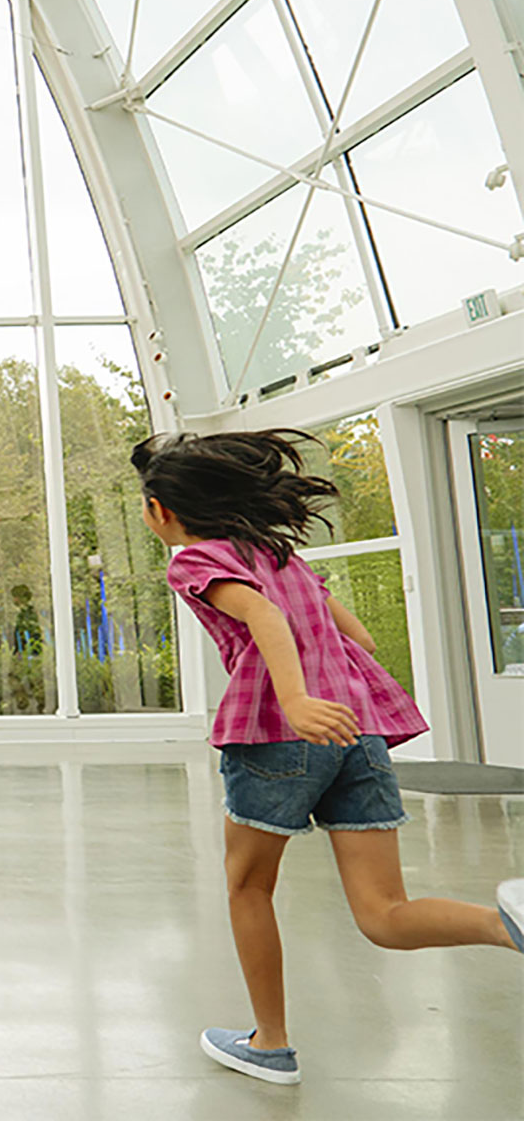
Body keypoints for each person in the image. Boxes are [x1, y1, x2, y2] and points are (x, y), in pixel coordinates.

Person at [132, 430, 524, 1087]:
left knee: (248, 887)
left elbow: (260, 614)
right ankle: (510, 926)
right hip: (356, 734)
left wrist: (293, 697)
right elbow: (359, 638)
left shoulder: (194, 559)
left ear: (162, 510)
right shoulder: (282, 557)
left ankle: (271, 1044)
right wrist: (323, 690)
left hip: (278, 735)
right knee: (384, 912)